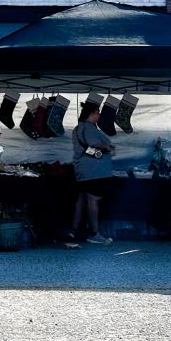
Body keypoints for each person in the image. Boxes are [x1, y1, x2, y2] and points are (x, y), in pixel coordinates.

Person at [68, 102, 115, 245]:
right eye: (98, 113)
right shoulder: (89, 129)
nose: (99, 116)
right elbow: (94, 144)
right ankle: (94, 233)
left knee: (81, 200)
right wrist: (107, 147)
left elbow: (84, 148)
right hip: (95, 171)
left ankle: (74, 230)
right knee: (93, 200)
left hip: (82, 170)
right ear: (93, 113)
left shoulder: (77, 128)